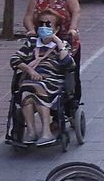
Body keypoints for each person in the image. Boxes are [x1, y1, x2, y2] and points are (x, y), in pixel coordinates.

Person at [10, 11, 76, 144]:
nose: (44, 27)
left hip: (53, 81)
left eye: (48, 24)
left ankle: (46, 132)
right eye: (41, 24)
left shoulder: (62, 45)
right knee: (26, 90)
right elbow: (15, 59)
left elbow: (69, 64)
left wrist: (58, 42)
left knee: (36, 88)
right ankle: (31, 132)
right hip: (31, 80)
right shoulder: (32, 43)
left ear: (56, 28)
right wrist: (29, 69)